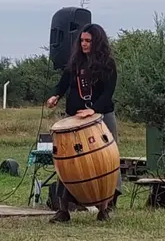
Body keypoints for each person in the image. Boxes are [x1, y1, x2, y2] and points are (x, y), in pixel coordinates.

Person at [45, 23, 119, 223]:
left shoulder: (108, 64)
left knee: (104, 161)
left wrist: (93, 110)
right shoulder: (75, 62)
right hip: (75, 118)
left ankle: (106, 208)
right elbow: (63, 83)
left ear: (97, 43)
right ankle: (63, 209)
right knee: (68, 162)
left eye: (88, 41)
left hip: (101, 117)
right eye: (82, 40)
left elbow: (107, 93)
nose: (84, 44)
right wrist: (56, 95)